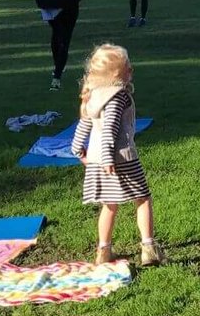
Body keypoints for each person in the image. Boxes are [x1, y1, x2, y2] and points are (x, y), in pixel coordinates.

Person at [69, 44, 163, 266]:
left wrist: (76, 148)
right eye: (127, 66)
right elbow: (110, 127)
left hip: (97, 161)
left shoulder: (93, 95)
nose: (131, 68)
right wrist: (108, 156)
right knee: (143, 198)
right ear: (115, 74)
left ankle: (103, 251)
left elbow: (84, 122)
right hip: (120, 158)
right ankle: (148, 248)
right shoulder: (118, 96)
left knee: (109, 205)